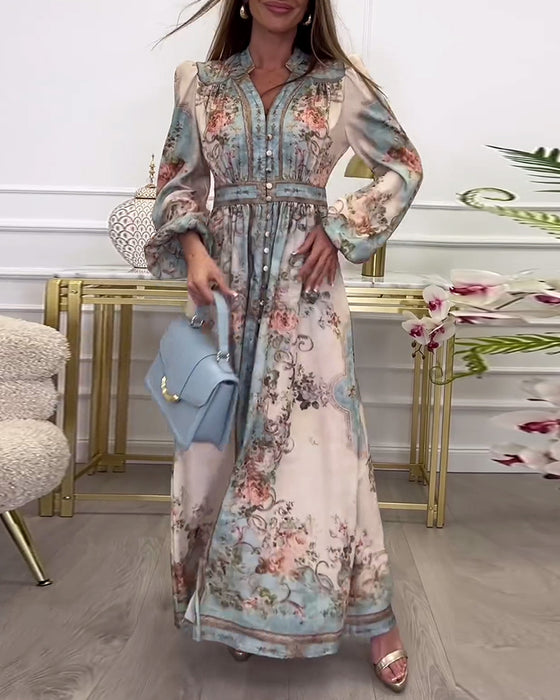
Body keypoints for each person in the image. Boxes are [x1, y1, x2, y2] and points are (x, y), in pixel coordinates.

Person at [145, 0, 422, 692]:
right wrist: (194, 251)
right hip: (225, 290)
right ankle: (241, 607)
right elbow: (178, 184)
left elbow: (404, 165)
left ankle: (375, 617)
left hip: (307, 292)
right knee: (218, 447)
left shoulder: (339, 84)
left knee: (325, 449)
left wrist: (340, 224)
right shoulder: (200, 83)